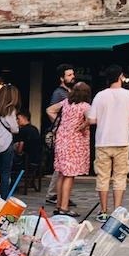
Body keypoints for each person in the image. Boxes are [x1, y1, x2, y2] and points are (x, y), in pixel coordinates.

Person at [88, 65, 129, 220]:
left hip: (103, 141)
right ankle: (117, 211)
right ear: (121, 76)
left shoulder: (100, 96)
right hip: (122, 141)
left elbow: (91, 119)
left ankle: (103, 211)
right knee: (120, 176)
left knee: (102, 177)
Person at [52, 82, 92, 216]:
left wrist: (59, 122)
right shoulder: (85, 106)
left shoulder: (65, 103)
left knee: (61, 173)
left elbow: (50, 110)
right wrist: (82, 126)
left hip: (61, 139)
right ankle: (64, 207)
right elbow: (91, 120)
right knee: (70, 175)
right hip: (74, 141)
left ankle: (58, 205)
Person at [46, 62, 76, 203]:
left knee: (64, 166)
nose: (72, 77)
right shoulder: (59, 93)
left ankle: (60, 195)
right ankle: (54, 195)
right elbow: (51, 110)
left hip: (68, 134)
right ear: (62, 78)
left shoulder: (70, 92)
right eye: (69, 75)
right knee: (62, 166)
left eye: (72, 74)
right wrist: (60, 124)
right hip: (62, 134)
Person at [0, 85, 20, 199]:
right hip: (6, 143)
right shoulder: (10, 111)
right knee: (6, 172)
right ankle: (4, 197)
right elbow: (15, 129)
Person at [14, 110, 41, 174]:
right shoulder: (35, 129)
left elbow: (20, 149)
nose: (17, 121)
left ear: (25, 119)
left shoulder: (22, 130)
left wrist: (18, 152)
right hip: (36, 161)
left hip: (25, 161)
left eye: (18, 119)